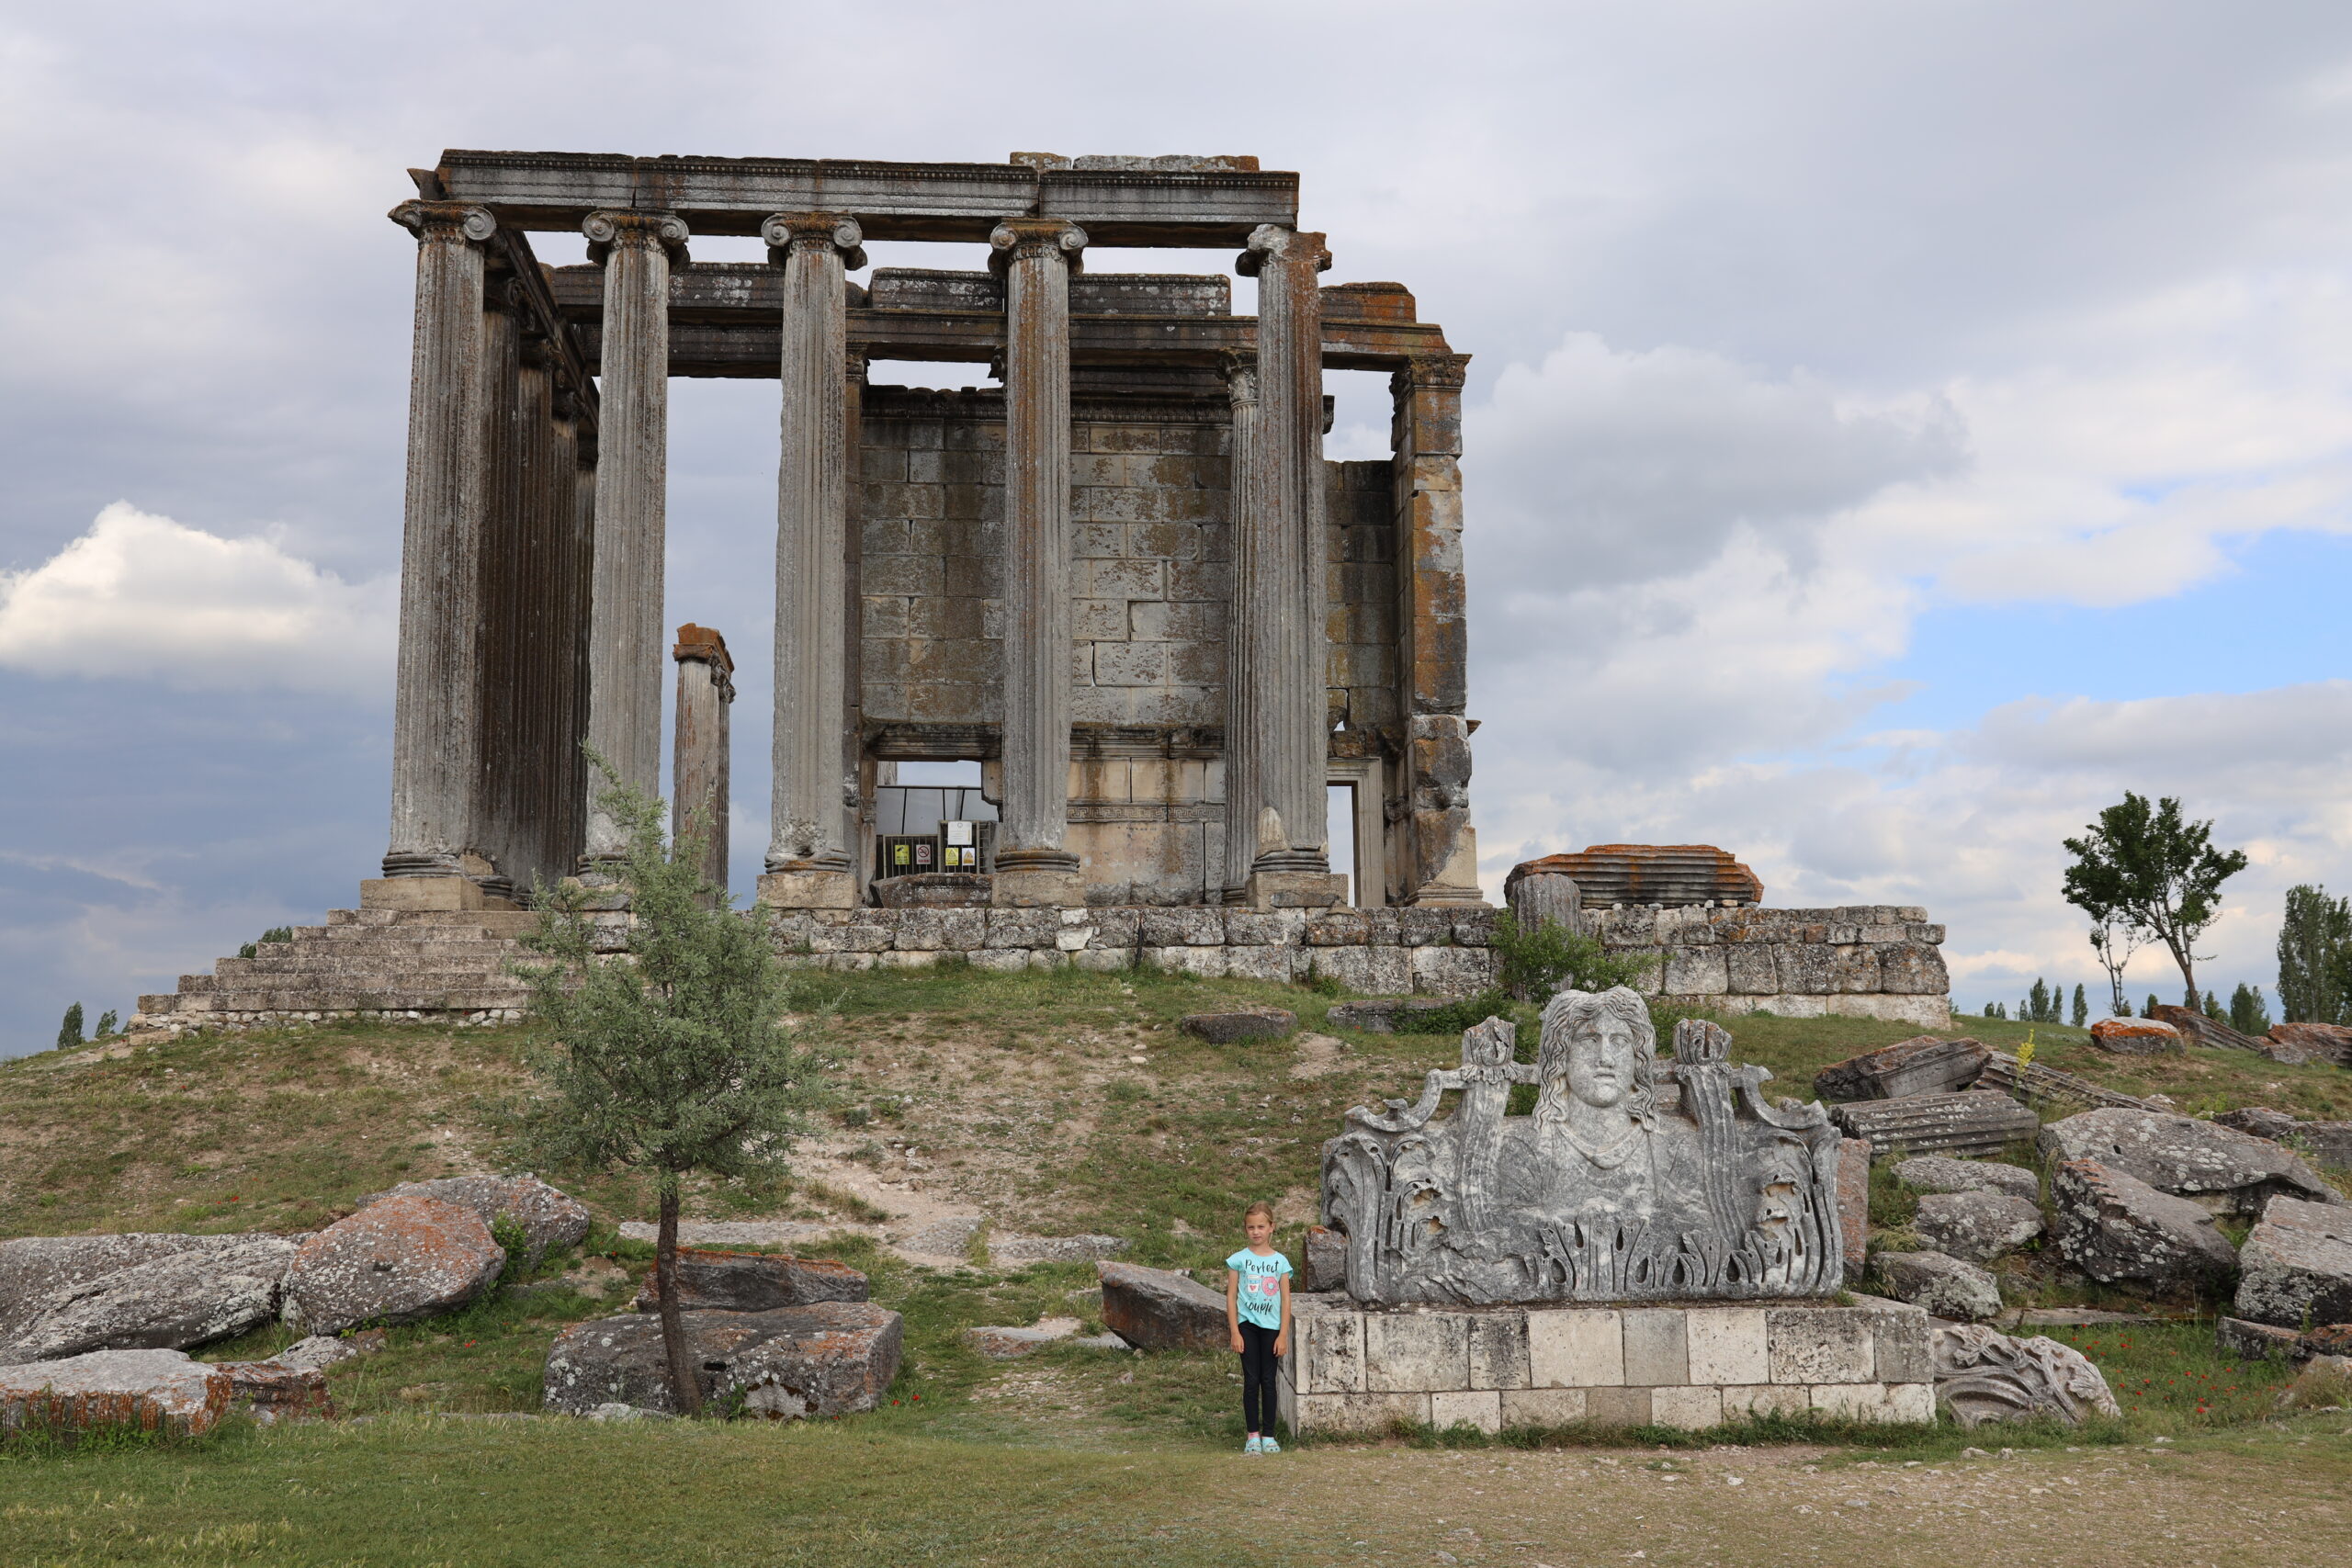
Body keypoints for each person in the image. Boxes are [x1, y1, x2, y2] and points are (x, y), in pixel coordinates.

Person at [1226, 1199, 1294, 1454]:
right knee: (1251, 1380)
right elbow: (1231, 1297)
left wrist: (1283, 1334)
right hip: (1247, 1326)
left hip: (1272, 1328)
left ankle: (1269, 1435)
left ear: (1271, 1227)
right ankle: (1252, 1434)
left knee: (1269, 1380)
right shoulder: (1238, 1260)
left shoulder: (1281, 1262)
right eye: (1251, 1227)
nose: (1256, 1232)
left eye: (1261, 1227)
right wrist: (1235, 1331)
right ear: (1246, 1229)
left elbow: (1286, 1299)